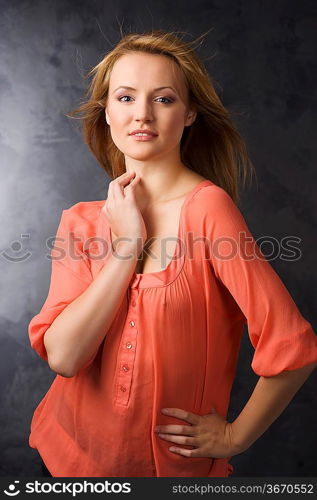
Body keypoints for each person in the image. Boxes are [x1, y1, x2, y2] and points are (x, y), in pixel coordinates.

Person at [28, 29, 317, 478]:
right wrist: (126, 249)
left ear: (189, 114)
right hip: (68, 459)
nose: (142, 114)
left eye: (162, 99)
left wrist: (235, 437)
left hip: (171, 476)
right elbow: (64, 358)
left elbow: (293, 346)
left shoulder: (208, 211)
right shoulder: (80, 222)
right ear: (106, 112)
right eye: (125, 98)